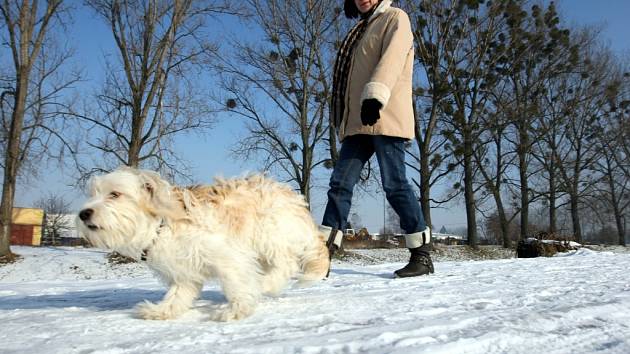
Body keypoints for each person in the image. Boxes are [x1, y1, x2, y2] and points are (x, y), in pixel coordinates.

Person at [321, 0, 433, 278]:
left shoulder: (396, 18)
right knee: (339, 184)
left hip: (384, 114)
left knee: (394, 184)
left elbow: (392, 59)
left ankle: (422, 255)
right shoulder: (361, 29)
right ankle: (321, 255)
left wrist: (375, 96)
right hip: (359, 122)